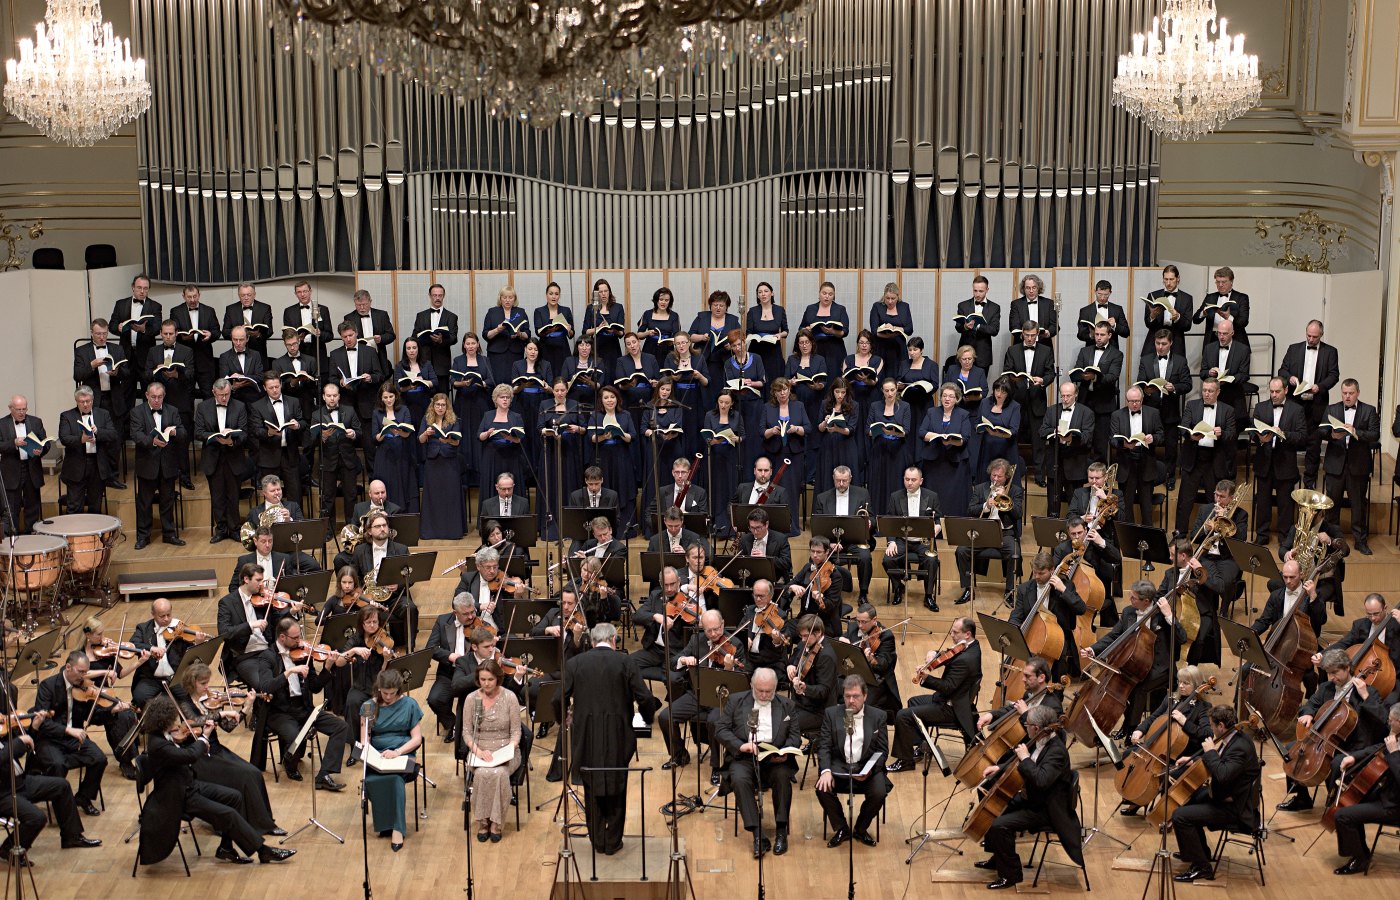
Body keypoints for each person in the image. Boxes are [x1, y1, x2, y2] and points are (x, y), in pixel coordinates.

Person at [138, 695, 296, 867]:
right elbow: (189, 755)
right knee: (228, 814)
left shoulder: (164, 735)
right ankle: (263, 851)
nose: (176, 723)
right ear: (163, 720)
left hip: (190, 785)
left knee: (235, 797)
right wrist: (204, 737)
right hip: (178, 796)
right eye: (173, 719)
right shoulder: (158, 744)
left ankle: (226, 849)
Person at [563, 623, 658, 855]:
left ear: (592, 641)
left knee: (591, 783)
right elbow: (644, 697)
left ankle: (597, 840)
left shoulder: (575, 663)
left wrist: (565, 717)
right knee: (617, 784)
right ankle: (613, 841)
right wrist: (647, 718)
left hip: (585, 734)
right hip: (618, 734)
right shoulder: (626, 662)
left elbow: (558, 698)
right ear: (614, 640)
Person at [978, 705, 1084, 890]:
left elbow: (1041, 780)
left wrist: (1026, 759)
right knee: (995, 806)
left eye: (1026, 724)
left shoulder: (1056, 751)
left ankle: (1010, 875)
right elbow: (1018, 759)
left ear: (1036, 727)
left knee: (999, 824)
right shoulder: (1038, 739)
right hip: (1033, 799)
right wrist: (999, 768)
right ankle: (997, 859)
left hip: (1045, 809)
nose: (1025, 727)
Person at [244, 618, 351, 791]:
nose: (299, 641)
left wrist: (328, 667)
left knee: (340, 727)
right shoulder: (267, 657)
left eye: (299, 636)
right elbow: (265, 686)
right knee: (295, 735)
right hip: (279, 711)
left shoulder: (302, 654)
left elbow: (315, 687)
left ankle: (324, 774)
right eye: (295, 638)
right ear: (282, 637)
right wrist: (289, 672)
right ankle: (290, 763)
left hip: (303, 707)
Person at [1277, 649, 1386, 814]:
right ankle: (1302, 798)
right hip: (1327, 740)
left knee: (1336, 763)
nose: (1332, 677)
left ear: (1347, 668)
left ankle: (1334, 806)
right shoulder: (1327, 687)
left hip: (1353, 745)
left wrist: (1365, 697)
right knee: (1291, 750)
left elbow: (1383, 721)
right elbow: (1311, 703)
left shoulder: (1369, 691)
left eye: (1335, 672)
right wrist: (1307, 713)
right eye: (1328, 673)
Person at [180, 661, 281, 835]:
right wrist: (221, 713)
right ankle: (244, 825)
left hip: (217, 751)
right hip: (201, 757)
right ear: (191, 683)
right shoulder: (185, 705)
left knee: (254, 773)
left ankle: (265, 823)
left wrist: (246, 707)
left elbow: (228, 726)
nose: (207, 687)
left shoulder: (209, 702)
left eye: (207, 682)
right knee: (244, 776)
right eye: (203, 683)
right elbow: (190, 722)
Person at [716, 667, 802, 858]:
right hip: (745, 757)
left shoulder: (787, 705)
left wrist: (785, 751)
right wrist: (741, 746)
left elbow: (795, 736)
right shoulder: (736, 701)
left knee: (782, 777)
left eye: (768, 691)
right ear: (752, 686)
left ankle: (781, 831)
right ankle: (757, 834)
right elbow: (721, 730)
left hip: (775, 759)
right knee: (738, 779)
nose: (764, 695)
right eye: (760, 690)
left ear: (775, 688)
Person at [1082, 581, 1186, 735]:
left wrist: (1169, 614)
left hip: (1160, 667)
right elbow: (1114, 635)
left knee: (1137, 687)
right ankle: (1124, 725)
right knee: (1121, 684)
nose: (1130, 599)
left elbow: (1182, 638)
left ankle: (1132, 729)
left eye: (1133, 598)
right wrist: (1093, 649)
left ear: (1146, 601)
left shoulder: (1162, 615)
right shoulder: (1128, 612)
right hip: (1135, 664)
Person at [32, 649, 136, 801]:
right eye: (80, 672)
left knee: (99, 759)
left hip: (75, 738)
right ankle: (61, 804)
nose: (83, 676)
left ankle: (83, 797)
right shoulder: (48, 686)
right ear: (68, 667)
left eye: (86, 672)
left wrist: (111, 711)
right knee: (58, 764)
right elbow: (43, 724)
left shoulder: (83, 688)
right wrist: (68, 730)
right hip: (50, 738)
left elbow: (92, 717)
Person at [1170, 705, 1260, 883]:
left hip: (1235, 808)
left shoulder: (1240, 746)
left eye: (1212, 725)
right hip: (1223, 795)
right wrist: (1193, 760)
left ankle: (1202, 868)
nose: (1210, 729)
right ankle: (1199, 852)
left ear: (1221, 725)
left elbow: (1222, 774)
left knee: (1180, 816)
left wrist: (1210, 751)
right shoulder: (1233, 737)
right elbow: (1220, 760)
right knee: (1187, 798)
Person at [0, 716, 102, 861]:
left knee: (62, 786)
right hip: (3, 794)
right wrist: (18, 742)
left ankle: (71, 837)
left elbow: (23, 749)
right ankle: (9, 848)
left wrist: (33, 729)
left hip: (19, 782)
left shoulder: (2, 732)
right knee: (37, 818)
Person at [887, 617, 980, 771]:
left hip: (952, 708)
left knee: (903, 716)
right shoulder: (970, 646)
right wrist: (934, 653)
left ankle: (905, 761)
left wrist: (926, 678)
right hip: (949, 699)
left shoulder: (967, 659)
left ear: (967, 634)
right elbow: (949, 653)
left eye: (955, 632)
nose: (951, 634)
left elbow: (948, 687)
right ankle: (922, 746)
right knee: (913, 702)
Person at [1118, 665, 1213, 816]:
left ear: (1196, 685)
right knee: (1129, 753)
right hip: (1159, 748)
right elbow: (1154, 717)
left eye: (1186, 683)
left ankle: (1163, 813)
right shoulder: (1171, 699)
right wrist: (1139, 730)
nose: (1181, 686)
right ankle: (1136, 800)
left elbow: (1207, 734)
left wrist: (1184, 722)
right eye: (1179, 682)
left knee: (1165, 773)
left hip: (1182, 753)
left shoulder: (1202, 707)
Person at [657, 609, 745, 770]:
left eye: (717, 629)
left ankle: (717, 767)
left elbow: (743, 678)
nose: (713, 634)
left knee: (714, 721)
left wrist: (729, 668)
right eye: (708, 630)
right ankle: (679, 754)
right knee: (665, 717)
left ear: (723, 624)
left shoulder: (735, 644)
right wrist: (684, 660)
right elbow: (673, 661)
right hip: (697, 693)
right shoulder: (696, 640)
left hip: (721, 697)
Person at [816, 676, 891, 847]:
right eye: (847, 696)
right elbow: (824, 746)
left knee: (879, 792)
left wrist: (869, 771)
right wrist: (825, 771)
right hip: (840, 767)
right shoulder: (831, 714)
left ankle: (860, 828)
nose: (851, 701)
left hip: (866, 769)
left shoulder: (878, 716)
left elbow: (882, 751)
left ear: (865, 696)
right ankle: (841, 827)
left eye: (856, 696)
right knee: (822, 787)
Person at [1331, 703, 1400, 875]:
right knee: (1350, 801)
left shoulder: (1396, 746)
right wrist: (1353, 757)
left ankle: (1360, 859)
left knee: (1342, 816)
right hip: (1387, 794)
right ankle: (1361, 851)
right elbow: (1379, 747)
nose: (1389, 723)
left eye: (1392, 721)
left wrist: (1394, 754)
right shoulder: (1397, 736)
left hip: (1394, 806)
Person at [361, 668, 424, 851]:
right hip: (378, 754)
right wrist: (373, 755)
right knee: (372, 780)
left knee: (395, 780)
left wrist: (397, 752)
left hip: (402, 753)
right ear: (378, 688)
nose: (388, 697)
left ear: (398, 689)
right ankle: (384, 824)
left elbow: (416, 739)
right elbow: (365, 740)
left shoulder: (410, 704)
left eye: (392, 693)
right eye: (384, 692)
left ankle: (397, 828)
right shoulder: (368, 706)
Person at [1278, 319, 1340, 489]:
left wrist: (1319, 387)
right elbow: (1282, 370)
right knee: (1290, 439)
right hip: (1295, 403)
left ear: (1321, 335)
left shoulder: (1330, 352)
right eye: (1308, 335)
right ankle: (1288, 478)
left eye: (1314, 337)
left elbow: (1334, 375)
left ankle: (1309, 482)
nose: (1311, 339)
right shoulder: (1294, 349)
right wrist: (1289, 378)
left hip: (1316, 403)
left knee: (1314, 444)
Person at [1322, 378, 1380, 554]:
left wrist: (1356, 432)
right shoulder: (1332, 409)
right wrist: (1332, 434)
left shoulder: (1369, 410)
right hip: (1335, 464)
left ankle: (1360, 541)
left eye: (1351, 393)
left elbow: (1375, 434)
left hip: (1358, 465)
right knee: (1332, 505)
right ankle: (1333, 541)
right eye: (1344, 393)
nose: (1347, 397)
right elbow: (1321, 430)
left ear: (1358, 393)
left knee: (1358, 506)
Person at [73, 317, 132, 488]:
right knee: (94, 439)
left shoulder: (117, 348)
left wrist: (117, 373)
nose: (101, 337)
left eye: (104, 334)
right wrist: (91, 365)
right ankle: (96, 477)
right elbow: (77, 375)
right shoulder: (82, 351)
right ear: (92, 333)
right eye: (98, 334)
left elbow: (127, 373)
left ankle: (112, 476)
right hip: (93, 402)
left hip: (114, 400)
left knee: (114, 440)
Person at [1174, 378, 1236, 535]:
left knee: (1213, 501)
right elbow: (1183, 428)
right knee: (1185, 501)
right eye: (1204, 390)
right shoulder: (1192, 405)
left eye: (1210, 391)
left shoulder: (1227, 410)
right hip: (1194, 458)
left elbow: (1232, 435)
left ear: (1218, 392)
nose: (1206, 394)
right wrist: (1191, 436)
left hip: (1214, 460)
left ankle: (1212, 534)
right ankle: (1180, 534)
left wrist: (1221, 433)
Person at [1011, 551, 1087, 681]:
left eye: (1041, 573)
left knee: (1058, 658)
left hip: (1059, 637)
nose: (1036, 576)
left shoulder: (1065, 585)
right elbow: (1016, 616)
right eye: (1035, 572)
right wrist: (1015, 632)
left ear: (1052, 570)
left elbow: (1081, 609)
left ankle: (1056, 694)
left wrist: (1063, 590)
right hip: (1032, 636)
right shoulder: (1025, 589)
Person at [955, 458, 1022, 605]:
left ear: (1007, 477)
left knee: (1015, 554)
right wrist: (985, 505)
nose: (996, 479)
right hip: (983, 533)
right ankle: (968, 588)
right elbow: (970, 510)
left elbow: (1018, 515)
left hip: (1005, 534)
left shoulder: (1015, 490)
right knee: (961, 550)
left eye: (999, 476)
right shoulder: (980, 488)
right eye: (993, 475)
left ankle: (1009, 591)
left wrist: (1006, 498)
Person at [1251, 377, 1308, 543]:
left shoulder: (1297, 410)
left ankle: (1285, 538)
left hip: (1285, 462)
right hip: (1264, 462)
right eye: (1271, 391)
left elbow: (1303, 436)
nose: (1274, 395)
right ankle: (1262, 535)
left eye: (1277, 391)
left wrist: (1284, 434)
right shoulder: (1261, 407)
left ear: (1286, 391)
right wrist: (1260, 439)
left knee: (1285, 504)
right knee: (1263, 502)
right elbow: (1253, 432)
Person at [130, 382, 187, 549]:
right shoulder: (137, 412)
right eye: (153, 397)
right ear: (147, 395)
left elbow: (183, 433)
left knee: (167, 501)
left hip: (168, 464)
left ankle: (169, 534)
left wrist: (175, 432)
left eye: (160, 397)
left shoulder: (172, 410)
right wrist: (152, 441)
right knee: (144, 503)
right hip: (147, 464)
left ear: (164, 396)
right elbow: (135, 434)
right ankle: (143, 536)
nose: (156, 400)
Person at [1135, 328, 1193, 490]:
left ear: (1171, 344)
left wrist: (1174, 387)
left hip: (1170, 411)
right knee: (1148, 443)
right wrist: (1145, 390)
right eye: (1158, 343)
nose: (1160, 347)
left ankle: (1169, 476)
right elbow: (1140, 381)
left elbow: (1187, 384)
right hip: (1150, 410)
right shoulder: (1146, 360)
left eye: (1164, 344)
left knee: (1171, 447)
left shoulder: (1180, 361)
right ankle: (1148, 475)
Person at [425, 594, 485, 742]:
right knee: (435, 699)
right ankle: (453, 724)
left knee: (472, 701)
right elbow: (430, 648)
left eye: (472, 612)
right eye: (466, 614)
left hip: (471, 673)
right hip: (448, 672)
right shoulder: (442, 621)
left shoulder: (480, 622)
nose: (471, 617)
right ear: (455, 613)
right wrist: (450, 656)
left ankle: (472, 728)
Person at [1002, 320, 1055, 483]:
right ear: (1022, 334)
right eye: (1027, 335)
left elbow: (1050, 373)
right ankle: (1011, 477)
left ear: (1038, 334)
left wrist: (1043, 380)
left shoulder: (1046, 351)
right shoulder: (1012, 350)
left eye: (1033, 335)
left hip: (1037, 400)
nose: (1030, 339)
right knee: (1013, 440)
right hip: (1017, 401)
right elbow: (1006, 372)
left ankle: (1040, 477)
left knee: (1038, 442)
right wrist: (1014, 378)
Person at [881, 466, 940, 609]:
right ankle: (898, 588)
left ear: (921, 481)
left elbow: (937, 519)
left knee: (932, 560)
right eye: (907, 479)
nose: (910, 483)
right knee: (888, 559)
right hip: (902, 540)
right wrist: (891, 541)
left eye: (913, 480)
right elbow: (890, 521)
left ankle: (928, 596)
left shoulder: (932, 496)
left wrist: (937, 527)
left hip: (923, 541)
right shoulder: (895, 496)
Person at [812, 466, 873, 602]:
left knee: (865, 557)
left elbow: (872, 517)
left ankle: (863, 593)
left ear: (850, 479)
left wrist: (869, 523)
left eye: (844, 481)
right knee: (815, 556)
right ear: (833, 478)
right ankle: (819, 590)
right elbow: (818, 526)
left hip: (855, 540)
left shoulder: (862, 494)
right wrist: (829, 544)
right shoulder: (822, 498)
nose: (841, 484)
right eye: (838, 480)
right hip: (831, 542)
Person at [1159, 539, 1224, 667]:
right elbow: (1160, 594)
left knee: (1198, 640)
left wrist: (1200, 571)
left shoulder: (1206, 565)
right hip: (1176, 610)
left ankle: (1191, 667)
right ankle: (1169, 669)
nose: (1170, 557)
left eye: (1172, 554)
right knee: (1163, 632)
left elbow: (1220, 587)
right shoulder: (1170, 573)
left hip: (1201, 612)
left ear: (1183, 556)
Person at [329, 320, 383, 464]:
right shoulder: (335, 354)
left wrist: (370, 378)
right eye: (344, 336)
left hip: (366, 403)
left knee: (369, 445)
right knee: (345, 445)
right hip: (346, 404)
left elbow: (379, 375)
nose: (348, 339)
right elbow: (332, 378)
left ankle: (373, 480)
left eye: (351, 335)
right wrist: (340, 382)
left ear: (357, 333)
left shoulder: (370, 351)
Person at [58, 386, 119, 514]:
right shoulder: (67, 416)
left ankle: (94, 534)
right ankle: (75, 533)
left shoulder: (103, 414)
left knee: (95, 506)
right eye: (82, 402)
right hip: (76, 466)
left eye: (88, 401)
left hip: (97, 466)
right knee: (74, 506)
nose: (85, 404)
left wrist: (98, 432)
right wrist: (82, 439)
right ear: (76, 401)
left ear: (92, 399)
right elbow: (64, 438)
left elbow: (113, 434)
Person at [1109, 386, 1164, 525]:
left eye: (1137, 401)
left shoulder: (1153, 413)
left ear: (1142, 399)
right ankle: (1129, 539)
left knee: (1146, 505)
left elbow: (1161, 435)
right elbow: (1112, 439)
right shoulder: (1117, 415)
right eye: (1131, 401)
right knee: (1126, 505)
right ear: (1126, 400)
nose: (1134, 404)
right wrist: (1124, 444)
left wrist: (1154, 439)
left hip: (1146, 461)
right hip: (1127, 462)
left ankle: (1147, 539)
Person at [312, 381, 363, 529]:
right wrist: (324, 436)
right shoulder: (317, 414)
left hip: (348, 458)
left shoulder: (349, 410)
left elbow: (359, 432)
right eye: (329, 396)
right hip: (328, 460)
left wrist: (353, 434)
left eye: (334, 395)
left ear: (339, 396)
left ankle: (352, 527)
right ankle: (329, 530)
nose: (332, 398)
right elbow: (312, 439)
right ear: (323, 397)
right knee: (328, 497)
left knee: (350, 495)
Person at [1039, 382, 1094, 517]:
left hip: (1075, 464)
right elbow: (1041, 431)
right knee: (1052, 504)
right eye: (1062, 396)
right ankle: (1052, 533)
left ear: (1075, 395)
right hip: (1055, 462)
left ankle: (1076, 535)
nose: (1065, 399)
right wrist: (1054, 431)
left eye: (1068, 396)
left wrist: (1071, 439)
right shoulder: (1052, 410)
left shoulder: (1086, 412)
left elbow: (1088, 438)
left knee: (1075, 505)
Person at [249, 370, 305, 502]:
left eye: (277, 386)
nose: (274, 390)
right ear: (264, 388)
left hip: (290, 454)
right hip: (269, 456)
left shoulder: (293, 401)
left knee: (295, 494)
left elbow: (303, 422)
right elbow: (255, 431)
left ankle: (295, 522)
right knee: (271, 497)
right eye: (271, 388)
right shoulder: (257, 406)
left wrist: (297, 425)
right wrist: (269, 432)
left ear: (281, 384)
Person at [1071, 321, 1124, 462]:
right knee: (1083, 440)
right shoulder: (1085, 351)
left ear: (1109, 335)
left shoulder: (1116, 354)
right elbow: (1076, 372)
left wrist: (1095, 377)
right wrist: (1081, 375)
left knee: (1101, 442)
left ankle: (1100, 479)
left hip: (1104, 402)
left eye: (1102, 335)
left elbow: (1112, 377)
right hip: (1085, 400)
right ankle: (1083, 474)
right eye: (1096, 334)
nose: (1098, 337)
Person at [131, 597, 198, 707]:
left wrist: (198, 642)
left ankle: (187, 723)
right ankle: (147, 723)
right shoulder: (143, 628)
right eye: (162, 616)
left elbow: (190, 651)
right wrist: (151, 648)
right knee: (139, 698)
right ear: (153, 614)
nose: (166, 619)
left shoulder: (178, 628)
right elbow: (133, 644)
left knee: (189, 699)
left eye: (169, 615)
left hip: (175, 677)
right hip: (150, 678)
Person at [919, 383, 972, 521]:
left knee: (953, 498)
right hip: (934, 462)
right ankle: (933, 523)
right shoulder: (932, 412)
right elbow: (922, 432)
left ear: (957, 399)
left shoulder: (963, 414)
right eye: (944, 396)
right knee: (934, 496)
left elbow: (965, 438)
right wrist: (935, 436)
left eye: (951, 396)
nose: (947, 399)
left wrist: (950, 442)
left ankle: (952, 525)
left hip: (955, 462)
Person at [419, 392, 465, 539]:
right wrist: (426, 433)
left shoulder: (454, 420)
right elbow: (420, 440)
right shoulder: (426, 419)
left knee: (450, 496)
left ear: (447, 406)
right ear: (433, 406)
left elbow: (457, 441)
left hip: (449, 461)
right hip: (433, 461)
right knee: (433, 497)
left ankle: (452, 531)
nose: (440, 408)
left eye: (443, 405)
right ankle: (431, 531)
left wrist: (448, 441)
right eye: (437, 405)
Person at [975, 656, 1063, 733]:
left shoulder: (1053, 706)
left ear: (1041, 678)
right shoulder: (1028, 693)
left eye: (1027, 676)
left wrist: (1025, 713)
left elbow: (1041, 734)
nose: (1023, 679)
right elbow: (1012, 709)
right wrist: (991, 715)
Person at [784, 615, 838, 736]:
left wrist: (805, 688)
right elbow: (794, 659)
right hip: (801, 703)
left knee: (785, 726)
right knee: (775, 715)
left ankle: (788, 754)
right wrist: (791, 666)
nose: (802, 639)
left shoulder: (826, 656)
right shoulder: (806, 644)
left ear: (818, 633)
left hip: (818, 711)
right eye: (801, 636)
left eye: (806, 636)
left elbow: (824, 690)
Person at [702, 390, 744, 537]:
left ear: (732, 403)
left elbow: (742, 437)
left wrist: (735, 438)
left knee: (730, 489)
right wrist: (712, 441)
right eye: (721, 402)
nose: (723, 405)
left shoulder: (737, 416)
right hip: (715, 457)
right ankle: (716, 526)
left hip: (731, 457)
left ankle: (731, 527)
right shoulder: (710, 415)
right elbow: (706, 437)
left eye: (727, 402)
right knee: (716, 490)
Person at [1204, 318, 1251, 424]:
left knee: (1233, 431)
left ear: (1232, 333)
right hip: (1213, 397)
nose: (1221, 337)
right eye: (1219, 333)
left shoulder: (1243, 350)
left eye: (1225, 334)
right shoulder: (1209, 348)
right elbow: (1203, 372)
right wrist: (1209, 373)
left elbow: (1244, 375)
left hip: (1233, 395)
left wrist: (1230, 379)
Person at [799, 280, 849, 379]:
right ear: (819, 294)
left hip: (835, 347)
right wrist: (806, 330)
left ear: (834, 296)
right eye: (824, 293)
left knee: (833, 377)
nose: (827, 296)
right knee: (817, 377)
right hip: (815, 347)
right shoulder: (810, 308)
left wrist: (832, 331)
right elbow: (801, 328)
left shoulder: (840, 309)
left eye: (830, 294)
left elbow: (845, 331)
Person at [1140, 264, 1193, 357]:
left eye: (1171, 279)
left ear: (1178, 278)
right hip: (1154, 342)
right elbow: (1147, 324)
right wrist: (1152, 316)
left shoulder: (1187, 298)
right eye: (1166, 279)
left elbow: (1188, 326)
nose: (1168, 283)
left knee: (1176, 370)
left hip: (1176, 343)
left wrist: (1178, 317)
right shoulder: (1153, 295)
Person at [1195, 265, 1250, 352]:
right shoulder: (1210, 297)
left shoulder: (1242, 298)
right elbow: (1195, 320)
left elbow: (1244, 322)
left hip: (1235, 340)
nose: (1220, 285)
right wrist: (1203, 313)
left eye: (1224, 282)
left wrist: (1229, 317)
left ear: (1231, 281)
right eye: (1217, 282)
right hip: (1212, 340)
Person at [411, 282, 459, 382]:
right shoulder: (420, 316)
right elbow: (414, 336)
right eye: (434, 295)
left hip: (442, 364)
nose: (437, 298)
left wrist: (442, 340)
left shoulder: (452, 316)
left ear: (443, 296)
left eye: (440, 295)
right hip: (423, 362)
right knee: (424, 395)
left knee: (443, 395)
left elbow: (454, 338)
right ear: (430, 296)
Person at [747, 281, 790, 389]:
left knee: (773, 381)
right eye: (760, 292)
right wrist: (751, 336)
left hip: (773, 351)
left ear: (772, 293)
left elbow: (786, 331)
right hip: (756, 350)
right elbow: (748, 332)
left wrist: (780, 335)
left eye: (766, 291)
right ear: (757, 295)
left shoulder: (779, 310)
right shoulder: (752, 311)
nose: (763, 294)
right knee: (757, 379)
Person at [342, 289, 396, 374]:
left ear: (370, 302)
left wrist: (381, 338)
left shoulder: (381, 315)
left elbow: (391, 335)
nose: (362, 308)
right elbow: (346, 339)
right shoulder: (349, 318)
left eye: (364, 304)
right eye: (358, 305)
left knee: (380, 383)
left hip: (378, 357)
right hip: (359, 359)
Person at [282, 279, 334, 368]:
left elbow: (330, 335)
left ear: (310, 291)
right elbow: (286, 336)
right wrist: (297, 338)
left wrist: (320, 334)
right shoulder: (289, 311)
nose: (302, 294)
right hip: (298, 353)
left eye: (305, 291)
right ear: (295, 294)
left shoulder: (323, 309)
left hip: (318, 353)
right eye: (299, 292)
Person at [953, 275, 1001, 370]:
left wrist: (978, 326)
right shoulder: (963, 305)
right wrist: (965, 326)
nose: (977, 294)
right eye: (975, 291)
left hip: (983, 354)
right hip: (964, 352)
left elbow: (994, 330)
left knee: (981, 384)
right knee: (961, 383)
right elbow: (958, 327)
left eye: (981, 291)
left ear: (987, 290)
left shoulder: (995, 308)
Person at [735, 506, 793, 583]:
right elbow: (739, 563)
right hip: (752, 580)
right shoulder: (745, 539)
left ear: (766, 524)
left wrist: (766, 558)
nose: (755, 532)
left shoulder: (780, 539)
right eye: (752, 528)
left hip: (775, 580)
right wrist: (749, 559)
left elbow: (786, 563)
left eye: (758, 527)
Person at [582, 278, 627, 369]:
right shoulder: (591, 308)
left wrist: (613, 330)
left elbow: (621, 332)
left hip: (613, 346)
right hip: (597, 346)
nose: (603, 294)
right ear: (596, 294)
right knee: (598, 373)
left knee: (613, 374)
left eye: (606, 291)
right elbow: (585, 331)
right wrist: (597, 328)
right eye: (600, 291)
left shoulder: (618, 307)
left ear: (609, 292)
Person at [1008, 274, 1058, 353]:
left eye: (1034, 287)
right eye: (1028, 288)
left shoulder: (1049, 303)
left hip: (1044, 347)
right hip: (1022, 347)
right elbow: (1013, 326)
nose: (1031, 291)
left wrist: (1048, 333)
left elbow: (1055, 325)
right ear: (1023, 289)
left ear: (1038, 288)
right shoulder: (1016, 304)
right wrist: (1026, 337)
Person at [217, 325, 265, 407]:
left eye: (241, 340)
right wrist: (233, 387)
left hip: (253, 397)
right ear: (231, 339)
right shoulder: (224, 356)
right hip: (234, 399)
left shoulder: (255, 354)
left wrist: (243, 377)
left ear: (247, 339)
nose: (238, 343)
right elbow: (224, 379)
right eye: (235, 340)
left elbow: (260, 376)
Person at [223, 283, 274, 358]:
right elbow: (225, 332)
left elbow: (269, 331)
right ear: (238, 295)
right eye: (242, 295)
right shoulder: (231, 309)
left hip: (259, 353)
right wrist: (238, 331)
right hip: (237, 354)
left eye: (249, 295)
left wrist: (258, 334)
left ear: (254, 294)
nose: (246, 298)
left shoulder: (265, 308)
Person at [1074, 279, 1129, 351]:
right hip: (1091, 351)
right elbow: (1080, 334)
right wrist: (1091, 335)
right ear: (1095, 291)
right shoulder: (1085, 311)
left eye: (1106, 295)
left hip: (1112, 352)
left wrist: (1115, 325)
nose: (1102, 298)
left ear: (1110, 293)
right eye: (1099, 294)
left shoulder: (1117, 309)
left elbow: (1126, 332)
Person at [639, 285, 682, 364]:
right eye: (661, 299)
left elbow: (677, 335)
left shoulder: (674, 316)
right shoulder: (647, 314)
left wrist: (672, 341)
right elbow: (639, 335)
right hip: (650, 348)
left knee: (666, 373)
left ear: (670, 302)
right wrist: (647, 333)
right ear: (656, 300)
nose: (663, 302)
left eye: (666, 300)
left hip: (667, 349)